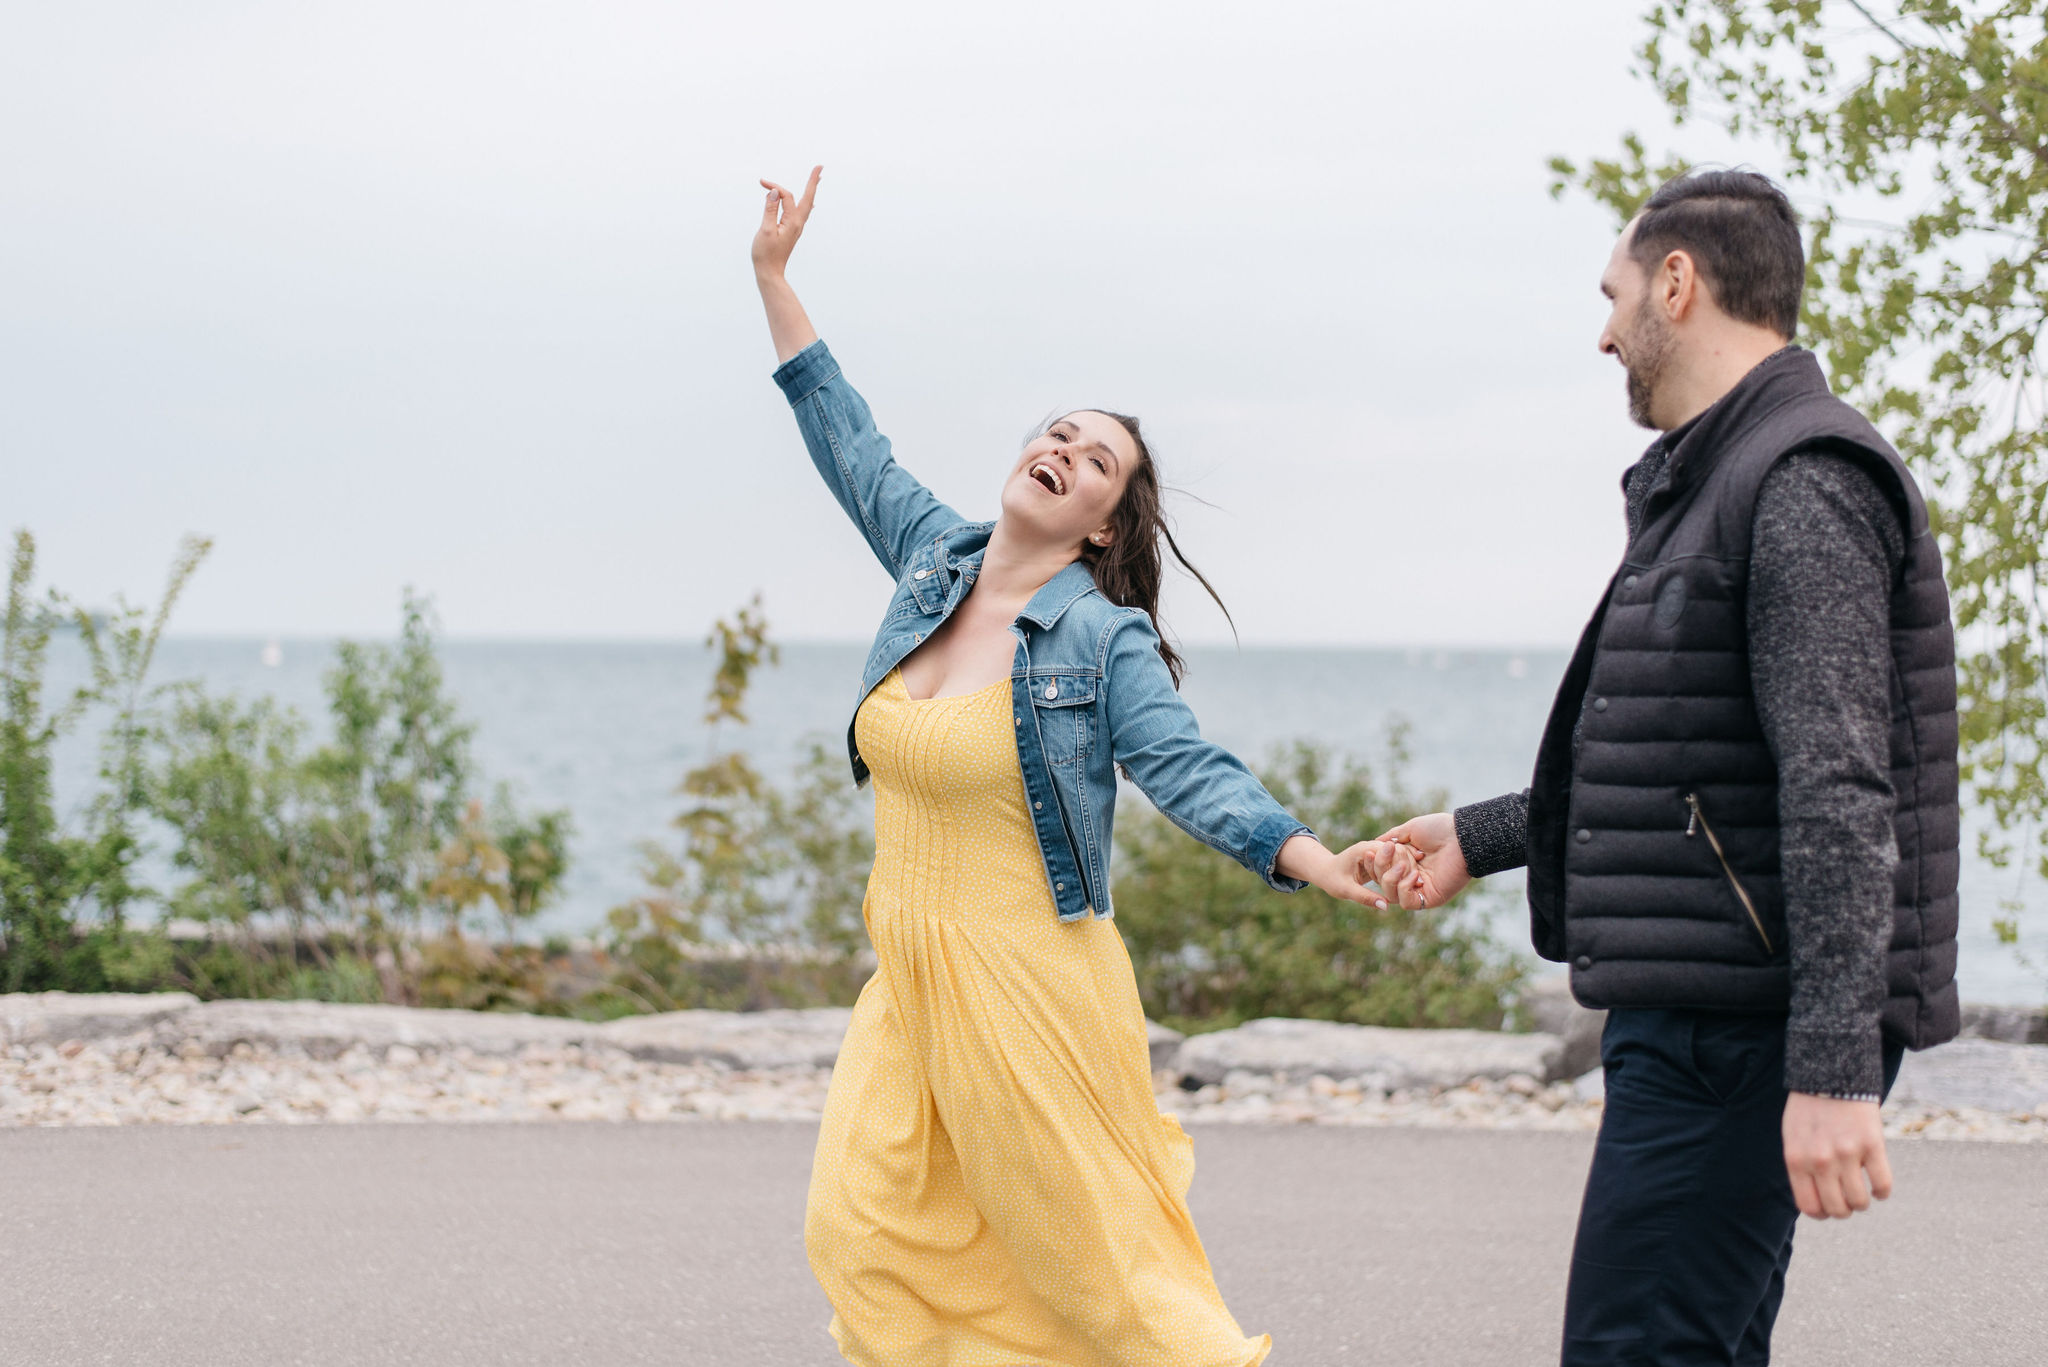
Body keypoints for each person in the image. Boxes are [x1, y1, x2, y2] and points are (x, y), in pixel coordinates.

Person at [752, 166, 1388, 1367]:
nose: (1064, 449)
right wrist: (774, 278)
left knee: (1095, 1277)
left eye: (1094, 459)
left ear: (1102, 523)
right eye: (1057, 431)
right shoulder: (932, 559)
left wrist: (1310, 857)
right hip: (912, 975)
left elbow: (1186, 769)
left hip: (1030, 985)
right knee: (864, 1232)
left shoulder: (1100, 636)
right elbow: (844, 434)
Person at [1370, 169, 1960, 1366]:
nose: (1602, 331)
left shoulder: (1795, 481)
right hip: (1702, 1012)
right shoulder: (1719, 481)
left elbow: (1839, 787)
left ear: (1676, 283)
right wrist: (1475, 835)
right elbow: (1679, 759)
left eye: (1613, 292)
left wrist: (1835, 1069)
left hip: (1732, 1027)